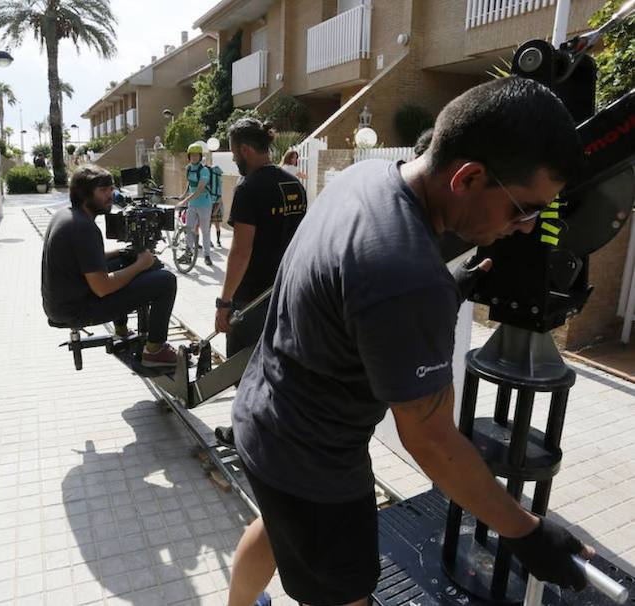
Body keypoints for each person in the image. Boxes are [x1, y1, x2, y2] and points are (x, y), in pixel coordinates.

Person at [226, 78, 593, 606]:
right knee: (342, 592)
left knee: (279, 527)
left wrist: (444, 291)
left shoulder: (368, 175)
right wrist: (525, 531)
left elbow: (359, 286)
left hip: (261, 420)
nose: (528, 227)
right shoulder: (406, 278)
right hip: (317, 465)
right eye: (524, 208)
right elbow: (431, 441)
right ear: (468, 178)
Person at [213, 118, 308, 449]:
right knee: (277, 365)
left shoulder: (248, 187)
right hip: (288, 292)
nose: (234, 158)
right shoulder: (294, 184)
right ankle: (278, 429)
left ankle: (246, 436)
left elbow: (240, 252)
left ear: (243, 149)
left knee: (243, 369)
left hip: (252, 298)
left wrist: (224, 303)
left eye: (233, 151)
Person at [41, 165, 179, 367]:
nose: (110, 195)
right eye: (103, 190)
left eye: (111, 189)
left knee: (123, 261)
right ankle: (155, 350)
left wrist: (121, 253)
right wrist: (140, 265)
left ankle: (122, 330)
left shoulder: (66, 216)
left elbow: (86, 261)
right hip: (77, 309)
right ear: (85, 194)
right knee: (166, 280)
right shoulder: (84, 228)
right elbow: (102, 287)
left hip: (60, 304)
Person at [178, 143, 215, 266]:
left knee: (205, 231)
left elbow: (199, 190)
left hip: (204, 204)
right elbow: (190, 184)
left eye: (196, 155)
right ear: (189, 156)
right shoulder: (189, 168)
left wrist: (185, 201)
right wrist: (183, 195)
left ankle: (207, 255)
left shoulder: (204, 170)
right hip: (192, 204)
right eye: (192, 155)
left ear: (200, 156)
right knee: (189, 230)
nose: (194, 157)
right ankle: (188, 255)